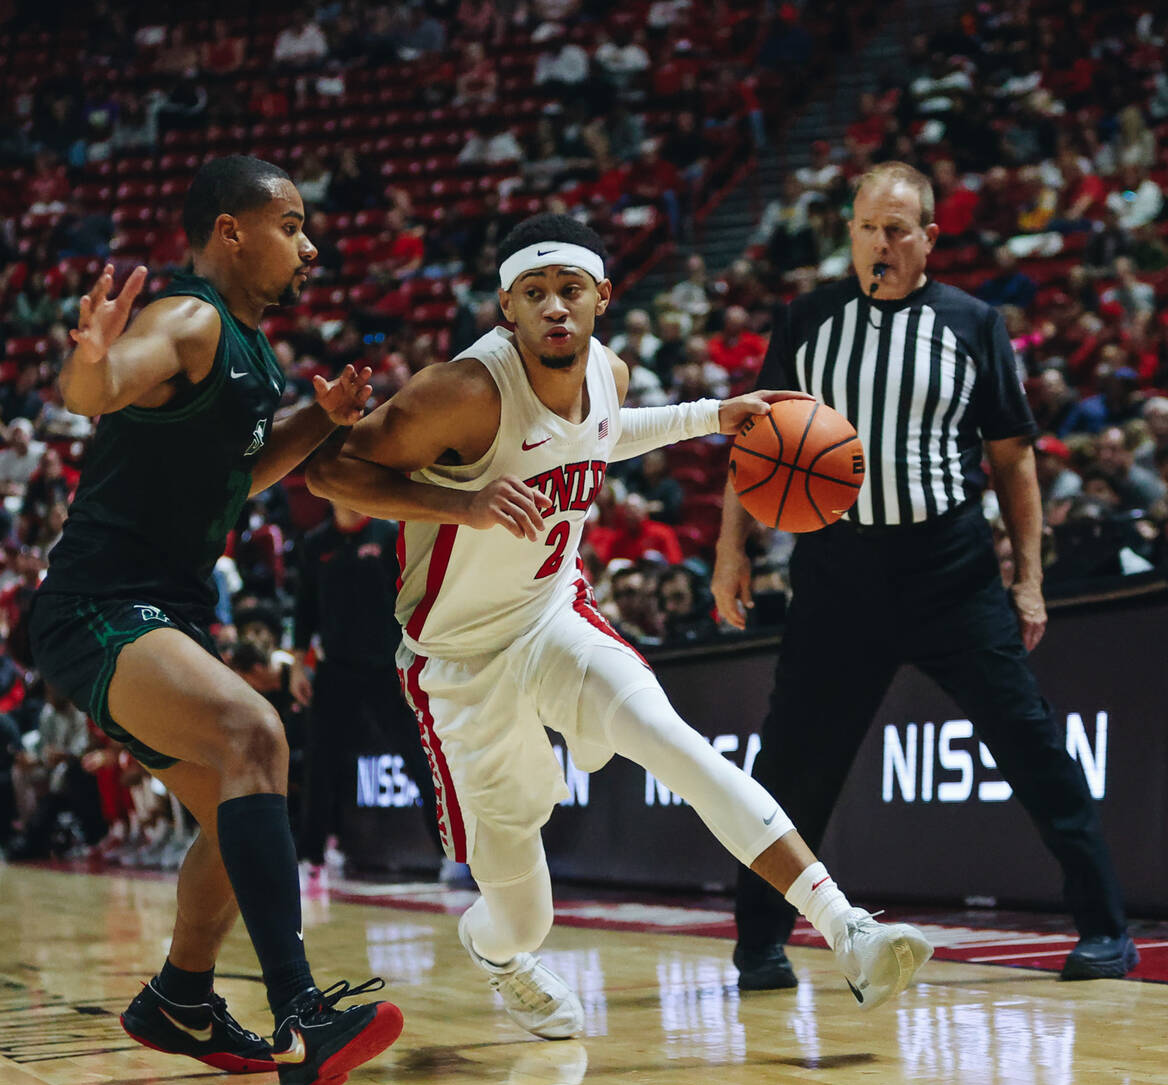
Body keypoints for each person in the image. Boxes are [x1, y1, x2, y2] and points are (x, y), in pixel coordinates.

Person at [307, 213, 932, 1038]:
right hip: (457, 662)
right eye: (534, 294)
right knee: (522, 915)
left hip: (552, 617)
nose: (554, 307)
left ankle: (848, 929)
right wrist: (462, 502)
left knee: (675, 742)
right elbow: (330, 474)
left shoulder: (611, 371)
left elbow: (605, 436)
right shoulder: (461, 392)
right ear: (507, 309)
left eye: (569, 290)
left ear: (602, 296)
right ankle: (500, 953)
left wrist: (715, 414)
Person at [28, 155, 403, 1085]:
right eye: (291, 224)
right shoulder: (190, 320)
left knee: (238, 816)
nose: (308, 245)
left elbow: (238, 478)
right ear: (232, 231)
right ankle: (303, 1016)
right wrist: (91, 357)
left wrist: (316, 424)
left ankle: (181, 1000)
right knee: (254, 735)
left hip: (158, 612)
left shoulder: (254, 349)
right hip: (98, 607)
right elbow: (97, 391)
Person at [712, 161, 1137, 991]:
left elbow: (1014, 464)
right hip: (837, 573)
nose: (882, 243)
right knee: (793, 764)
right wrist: (732, 553)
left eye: (899, 229)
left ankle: (1104, 928)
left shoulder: (974, 324)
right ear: (850, 233)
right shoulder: (806, 321)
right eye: (869, 227)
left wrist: (1030, 581)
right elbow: (754, 445)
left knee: (1033, 745)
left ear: (929, 239)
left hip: (951, 568)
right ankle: (759, 943)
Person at [293, 501, 436, 878]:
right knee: (319, 763)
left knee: (419, 756)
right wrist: (296, 664)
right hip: (334, 670)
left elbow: (413, 600)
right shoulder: (315, 544)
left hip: (386, 668)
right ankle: (313, 857)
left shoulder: (388, 536)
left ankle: (450, 853)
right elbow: (304, 608)